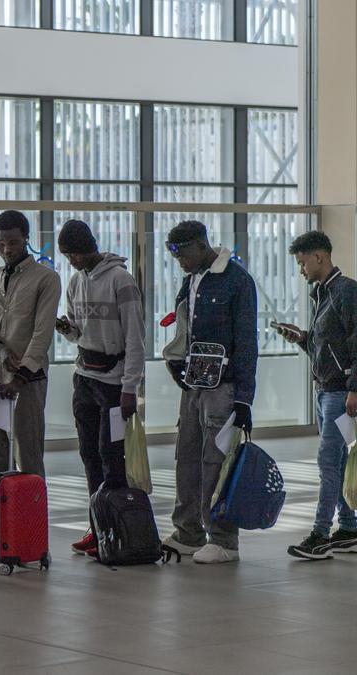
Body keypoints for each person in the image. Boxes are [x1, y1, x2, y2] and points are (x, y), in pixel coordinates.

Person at [0, 210, 60, 560]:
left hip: (26, 382)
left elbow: (42, 334)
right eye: (1, 243)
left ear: (26, 239)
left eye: (13, 242)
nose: (6, 249)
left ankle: (32, 539)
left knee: (28, 458)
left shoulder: (45, 278)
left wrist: (20, 376)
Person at [161, 220, 257, 565]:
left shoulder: (237, 280)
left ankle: (223, 539)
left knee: (216, 462)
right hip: (193, 384)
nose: (180, 262)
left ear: (202, 245)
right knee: (186, 458)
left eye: (183, 255)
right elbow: (184, 327)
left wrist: (243, 399)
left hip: (224, 387)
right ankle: (188, 532)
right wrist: (176, 362)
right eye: (175, 257)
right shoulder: (191, 280)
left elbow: (246, 342)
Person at [54, 220, 146, 557]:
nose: (71, 261)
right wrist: (67, 329)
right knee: (89, 454)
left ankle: (118, 529)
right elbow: (78, 333)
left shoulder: (121, 280)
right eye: (66, 256)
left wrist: (130, 388)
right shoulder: (75, 282)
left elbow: (136, 338)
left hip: (114, 384)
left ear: (88, 247)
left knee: (112, 456)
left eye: (74, 254)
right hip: (85, 378)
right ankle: (98, 526)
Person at [274, 231, 357, 560]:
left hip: (339, 393)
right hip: (325, 391)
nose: (301, 269)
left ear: (319, 257)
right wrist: (302, 339)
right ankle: (348, 528)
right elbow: (329, 347)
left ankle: (320, 535)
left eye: (302, 262)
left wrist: (354, 389)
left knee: (327, 462)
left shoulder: (346, 291)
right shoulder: (321, 294)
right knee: (337, 460)